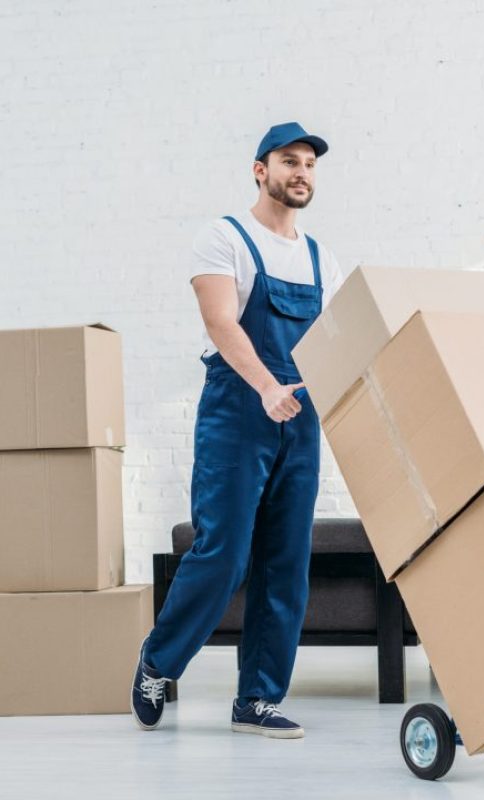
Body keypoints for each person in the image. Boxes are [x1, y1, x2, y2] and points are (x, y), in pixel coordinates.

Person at [130, 122, 343, 739]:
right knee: (224, 554)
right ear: (260, 170)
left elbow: (328, 340)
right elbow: (222, 322)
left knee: (286, 562)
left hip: (299, 416)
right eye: (288, 161)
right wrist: (265, 387)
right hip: (239, 409)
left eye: (309, 164)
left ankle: (257, 700)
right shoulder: (224, 237)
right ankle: (158, 662)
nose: (301, 172)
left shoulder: (318, 256)